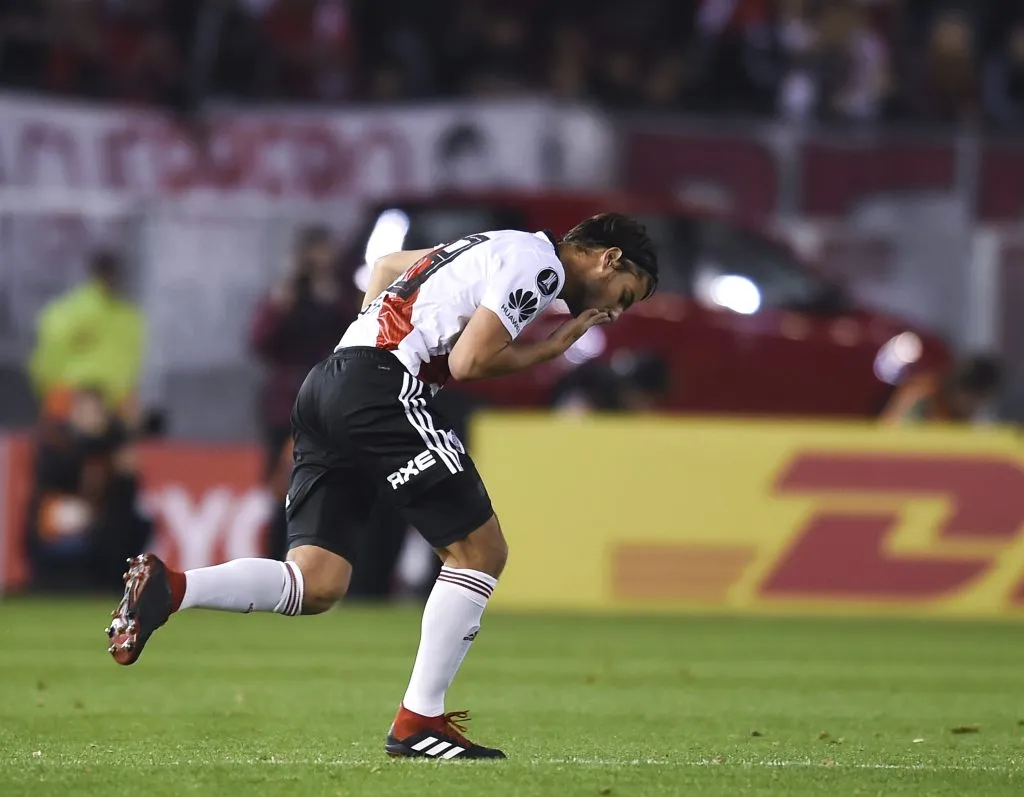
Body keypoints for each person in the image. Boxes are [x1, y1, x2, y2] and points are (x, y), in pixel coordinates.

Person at [105, 213, 659, 760]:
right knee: (480, 552)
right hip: (380, 387)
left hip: (329, 382)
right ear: (609, 259)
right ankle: (420, 720)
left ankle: (172, 588)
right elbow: (468, 362)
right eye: (625, 295)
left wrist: (369, 337)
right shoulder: (541, 269)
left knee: (316, 582)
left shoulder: (498, 244)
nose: (612, 309)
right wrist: (560, 341)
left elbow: (391, 265)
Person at [28, 250, 145, 424]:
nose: (115, 280)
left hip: (116, 405)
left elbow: (131, 365)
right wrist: (55, 393)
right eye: (110, 273)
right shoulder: (73, 311)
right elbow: (48, 355)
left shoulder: (130, 317)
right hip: (76, 400)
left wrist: (126, 398)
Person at [880, 354, 1002, 425]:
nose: (970, 403)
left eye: (978, 398)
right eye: (967, 395)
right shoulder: (920, 391)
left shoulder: (981, 420)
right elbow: (888, 430)